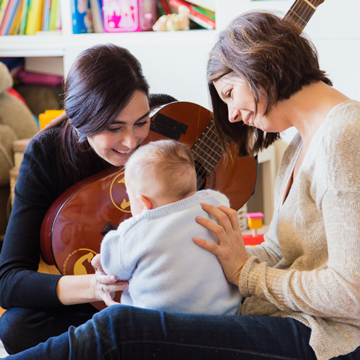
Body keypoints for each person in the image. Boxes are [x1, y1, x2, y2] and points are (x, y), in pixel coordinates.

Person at [2, 10, 360, 360]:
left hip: (323, 334)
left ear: (259, 66)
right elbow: (280, 253)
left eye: (229, 93)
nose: (232, 115)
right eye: (113, 128)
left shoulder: (344, 134)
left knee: (119, 327)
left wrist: (244, 273)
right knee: (25, 325)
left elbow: (352, 292)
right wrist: (205, 257)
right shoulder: (298, 146)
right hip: (278, 311)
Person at [0, 43, 176, 354]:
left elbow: (228, 158)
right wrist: (96, 287)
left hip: (169, 285)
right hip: (96, 300)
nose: (131, 141)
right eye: (113, 127)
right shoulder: (46, 155)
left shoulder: (170, 121)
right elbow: (9, 280)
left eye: (140, 122)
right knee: (16, 326)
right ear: (81, 122)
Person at [99, 139, 241, 315]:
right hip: (225, 315)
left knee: (109, 318)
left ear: (143, 202)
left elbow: (113, 269)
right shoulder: (215, 202)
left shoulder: (136, 230)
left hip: (158, 325)